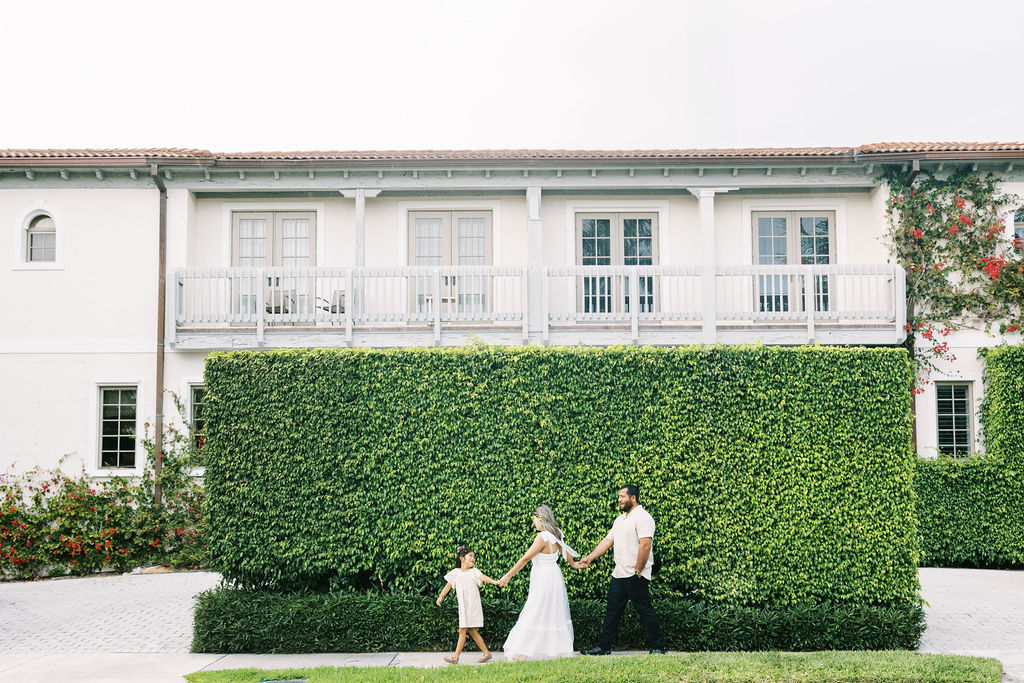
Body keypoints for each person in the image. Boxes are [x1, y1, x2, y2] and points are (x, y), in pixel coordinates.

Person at [577, 484, 667, 655]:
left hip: (636, 575)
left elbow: (646, 545)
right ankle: (604, 647)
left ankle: (659, 647)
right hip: (619, 574)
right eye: (618, 496)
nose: (619, 500)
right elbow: (607, 541)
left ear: (633, 498)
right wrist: (589, 557)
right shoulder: (620, 520)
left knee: (645, 610)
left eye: (622, 496)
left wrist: (638, 570)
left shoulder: (643, 517)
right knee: (612, 612)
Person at [497, 504, 580, 661]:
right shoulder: (557, 534)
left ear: (540, 519)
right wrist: (573, 564)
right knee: (553, 612)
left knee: (535, 609)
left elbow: (525, 558)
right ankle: (561, 650)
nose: (534, 522)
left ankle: (522, 652)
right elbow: (564, 551)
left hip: (543, 577)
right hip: (554, 577)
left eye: (534, 519)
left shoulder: (542, 537)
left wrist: (508, 576)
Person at [436, 545, 499, 664]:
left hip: (472, 606)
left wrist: (494, 581)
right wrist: (440, 597)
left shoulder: (474, 572)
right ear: (462, 558)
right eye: (470, 555)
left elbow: (482, 577)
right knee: (472, 631)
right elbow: (448, 585)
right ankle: (487, 653)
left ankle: (455, 657)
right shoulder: (455, 573)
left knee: (462, 630)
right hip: (463, 607)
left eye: (474, 556)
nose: (473, 558)